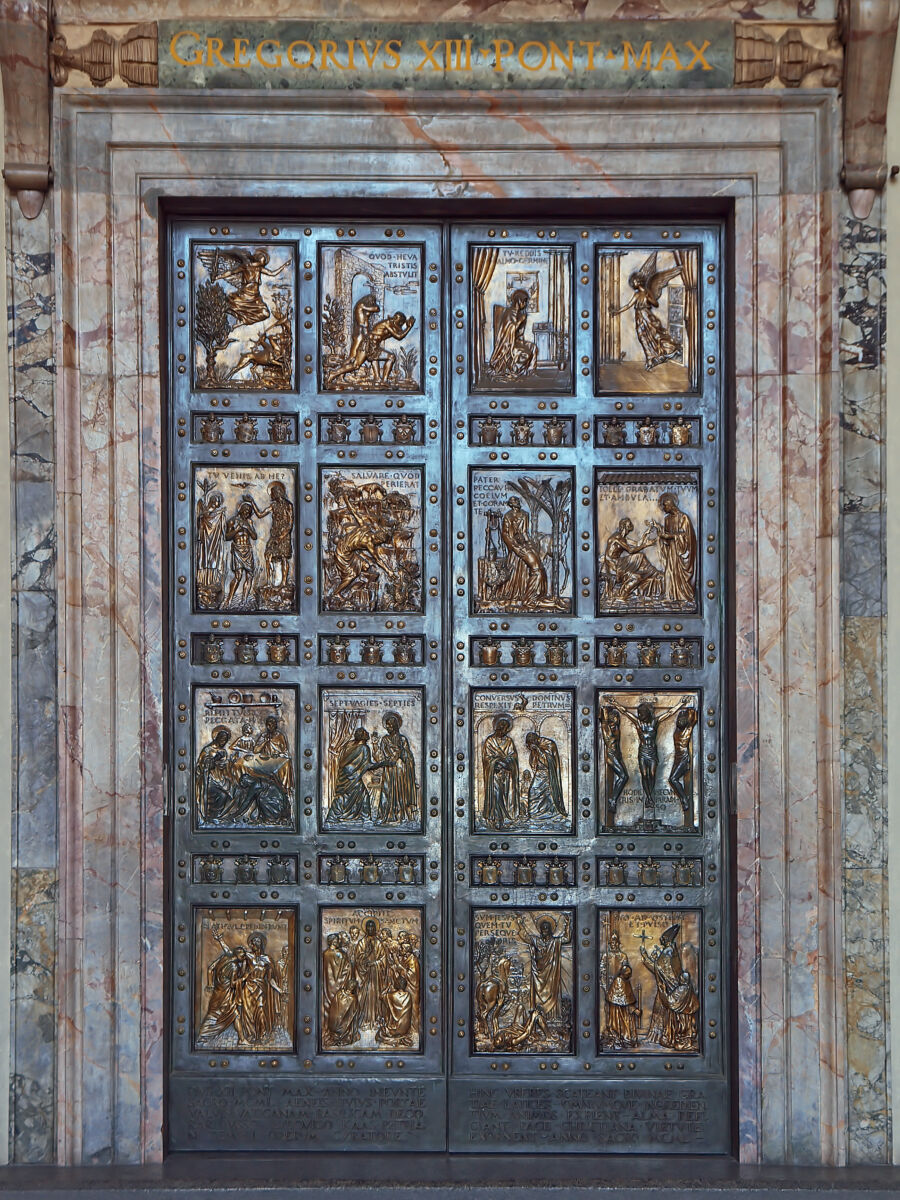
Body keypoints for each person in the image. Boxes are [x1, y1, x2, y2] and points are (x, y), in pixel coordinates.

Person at [515, 912, 571, 1025]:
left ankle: (551, 1019)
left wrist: (568, 924)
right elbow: (525, 936)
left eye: (546, 928)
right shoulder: (536, 941)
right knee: (537, 998)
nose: (543, 931)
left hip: (551, 974)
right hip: (538, 975)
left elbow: (567, 938)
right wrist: (520, 924)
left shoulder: (555, 942)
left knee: (552, 996)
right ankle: (539, 1020)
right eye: (542, 929)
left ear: (551, 929)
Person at [197, 934, 251, 1046]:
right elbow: (233, 984)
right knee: (217, 1016)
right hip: (226, 996)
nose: (245, 956)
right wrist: (244, 977)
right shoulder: (234, 968)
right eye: (243, 955)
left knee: (231, 1014)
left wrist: (210, 984)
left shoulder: (225, 958)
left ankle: (241, 1039)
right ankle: (202, 1035)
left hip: (218, 992)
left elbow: (211, 968)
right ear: (238, 955)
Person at [498, 497, 547, 607]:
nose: (517, 502)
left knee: (539, 565)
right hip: (515, 545)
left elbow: (525, 532)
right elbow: (505, 534)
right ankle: (529, 598)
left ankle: (537, 594)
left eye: (517, 500)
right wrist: (515, 548)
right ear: (511, 504)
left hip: (524, 543)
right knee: (536, 568)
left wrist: (531, 545)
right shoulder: (508, 516)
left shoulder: (525, 514)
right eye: (515, 501)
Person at [326, 728, 380, 825]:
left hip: (345, 776)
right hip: (353, 776)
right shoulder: (364, 748)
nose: (368, 734)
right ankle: (366, 818)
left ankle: (333, 817)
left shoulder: (348, 745)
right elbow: (368, 765)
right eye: (366, 733)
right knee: (363, 795)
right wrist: (384, 763)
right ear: (364, 736)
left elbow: (342, 761)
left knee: (343, 796)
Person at [602, 517, 661, 603]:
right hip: (614, 563)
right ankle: (653, 572)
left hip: (619, 562)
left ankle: (652, 572)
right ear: (624, 527)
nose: (631, 526)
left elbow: (637, 544)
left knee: (639, 564)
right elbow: (631, 550)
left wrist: (646, 534)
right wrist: (645, 545)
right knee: (640, 556)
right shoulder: (618, 537)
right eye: (629, 525)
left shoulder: (623, 538)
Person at [374, 711, 419, 825]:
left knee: (400, 791)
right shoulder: (384, 740)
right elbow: (381, 756)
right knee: (387, 791)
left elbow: (408, 756)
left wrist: (401, 753)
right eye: (387, 724)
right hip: (389, 770)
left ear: (395, 725)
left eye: (390, 724)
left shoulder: (402, 739)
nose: (388, 727)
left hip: (401, 770)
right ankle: (387, 814)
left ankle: (400, 814)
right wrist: (375, 745)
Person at [651, 492, 696, 604]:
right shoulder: (667, 519)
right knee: (668, 571)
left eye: (664, 506)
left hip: (680, 551)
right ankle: (668, 594)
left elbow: (687, 537)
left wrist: (670, 536)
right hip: (671, 550)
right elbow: (666, 537)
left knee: (676, 573)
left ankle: (681, 595)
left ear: (670, 505)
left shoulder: (683, 518)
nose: (663, 508)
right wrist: (660, 532)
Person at [599, 932, 640, 1048]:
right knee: (610, 1013)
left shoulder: (623, 956)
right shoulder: (606, 956)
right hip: (609, 986)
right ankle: (613, 1034)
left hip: (621, 984)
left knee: (623, 1011)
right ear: (609, 944)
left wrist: (622, 977)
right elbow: (602, 971)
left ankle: (623, 1035)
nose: (613, 945)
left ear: (618, 944)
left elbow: (627, 971)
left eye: (615, 942)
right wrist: (605, 986)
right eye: (611, 943)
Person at [241, 932, 283, 1044]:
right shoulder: (247, 957)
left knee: (261, 1009)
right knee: (248, 1012)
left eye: (258, 941)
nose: (255, 943)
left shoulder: (267, 959)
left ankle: (263, 1034)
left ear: (262, 944)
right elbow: (242, 973)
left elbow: (270, 979)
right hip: (248, 987)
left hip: (260, 987)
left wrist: (279, 990)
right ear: (250, 944)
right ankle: (251, 1035)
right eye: (253, 941)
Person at [489, 288, 538, 378]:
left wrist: (521, 339)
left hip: (516, 341)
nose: (525, 304)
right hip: (507, 344)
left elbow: (518, 333)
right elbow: (509, 331)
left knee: (533, 347)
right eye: (524, 302)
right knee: (525, 354)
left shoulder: (519, 313)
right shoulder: (509, 313)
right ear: (519, 300)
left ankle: (531, 371)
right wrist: (520, 321)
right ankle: (515, 371)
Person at [481, 715, 519, 830]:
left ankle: (505, 817)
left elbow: (513, 756)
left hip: (506, 775)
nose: (503, 730)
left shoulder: (508, 741)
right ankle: (497, 818)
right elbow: (486, 758)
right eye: (501, 728)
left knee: (505, 795)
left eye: (505, 728)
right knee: (496, 795)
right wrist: (496, 762)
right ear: (497, 727)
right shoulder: (490, 741)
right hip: (494, 774)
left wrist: (508, 762)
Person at [322, 932, 358, 1047]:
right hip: (340, 986)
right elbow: (347, 969)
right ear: (333, 941)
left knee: (330, 1008)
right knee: (340, 1010)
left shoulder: (325, 954)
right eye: (337, 940)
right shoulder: (341, 954)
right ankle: (341, 1032)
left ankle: (329, 1030)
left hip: (328, 987)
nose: (338, 942)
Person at [195, 726, 235, 822]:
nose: (223, 741)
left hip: (220, 778)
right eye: (221, 738)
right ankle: (211, 816)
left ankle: (222, 816)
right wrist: (215, 759)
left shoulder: (224, 751)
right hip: (208, 779)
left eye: (225, 740)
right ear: (216, 737)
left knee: (234, 791)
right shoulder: (208, 750)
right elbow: (203, 766)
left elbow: (226, 768)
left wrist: (230, 763)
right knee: (222, 795)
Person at [525, 731, 566, 823]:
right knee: (533, 791)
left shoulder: (548, 744)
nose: (529, 747)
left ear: (534, 741)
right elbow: (533, 762)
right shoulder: (534, 747)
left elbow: (549, 762)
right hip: (539, 773)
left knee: (546, 793)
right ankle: (535, 814)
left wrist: (538, 749)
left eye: (530, 744)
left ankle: (550, 813)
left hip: (547, 773)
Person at [224, 499, 258, 608]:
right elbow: (227, 537)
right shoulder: (232, 521)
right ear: (240, 509)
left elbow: (254, 536)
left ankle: (244, 600)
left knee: (250, 576)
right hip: (238, 549)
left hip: (247, 549)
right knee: (238, 576)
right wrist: (236, 530)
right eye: (245, 509)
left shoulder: (250, 522)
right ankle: (229, 599)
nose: (247, 512)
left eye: (249, 511)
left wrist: (248, 527)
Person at [195, 488, 226, 607]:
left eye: (218, 501)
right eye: (215, 500)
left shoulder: (220, 514)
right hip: (204, 541)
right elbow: (199, 523)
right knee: (204, 559)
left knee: (213, 559)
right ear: (211, 500)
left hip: (215, 541)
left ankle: (212, 584)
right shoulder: (205, 512)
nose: (217, 503)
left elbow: (222, 530)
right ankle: (203, 585)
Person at [599, 705, 629, 816]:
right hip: (611, 756)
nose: (617, 718)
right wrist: (605, 710)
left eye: (617, 716)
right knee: (624, 776)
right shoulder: (607, 727)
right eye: (615, 716)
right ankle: (613, 800)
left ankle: (613, 799)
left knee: (623, 776)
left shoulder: (616, 728)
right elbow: (604, 721)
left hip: (617, 755)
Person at [669, 705, 698, 816]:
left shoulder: (687, 729)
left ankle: (684, 799)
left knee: (673, 779)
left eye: (682, 719)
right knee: (672, 779)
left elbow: (694, 720)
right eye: (679, 719)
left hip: (683, 757)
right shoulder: (677, 730)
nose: (680, 721)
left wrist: (690, 710)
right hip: (677, 757)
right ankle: (684, 798)